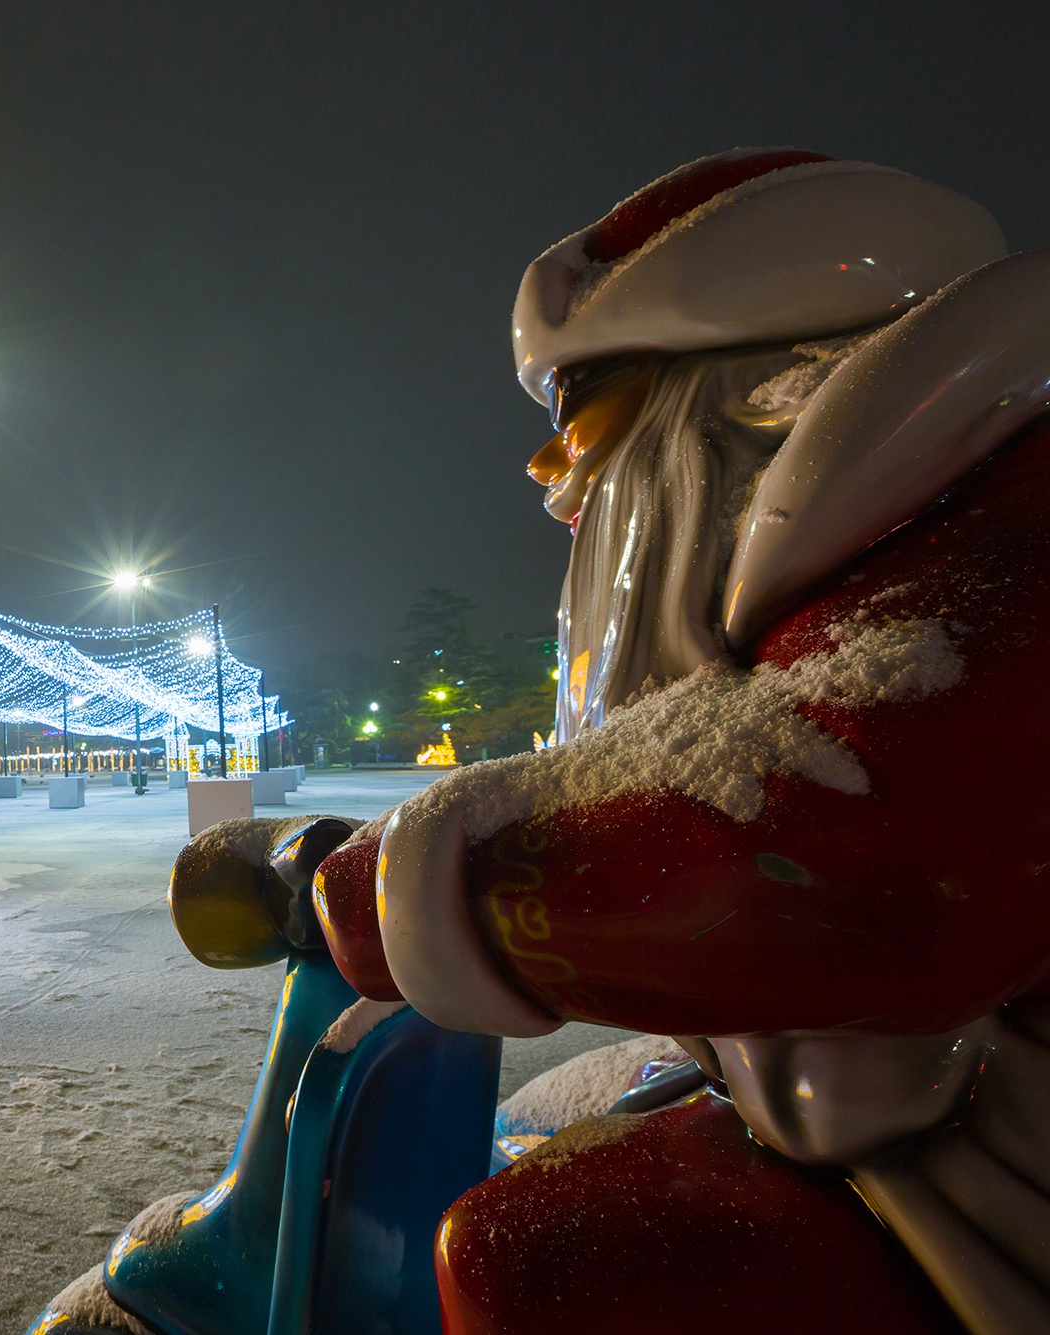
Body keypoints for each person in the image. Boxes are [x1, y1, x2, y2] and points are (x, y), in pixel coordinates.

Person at [313, 149, 1050, 1334]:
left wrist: (390, 889)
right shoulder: (863, 561)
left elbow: (839, 858)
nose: (548, 473)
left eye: (583, 416)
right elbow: (701, 750)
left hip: (1005, 1192)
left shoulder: (999, 547)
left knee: (544, 1262)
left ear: (758, 388)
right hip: (944, 1149)